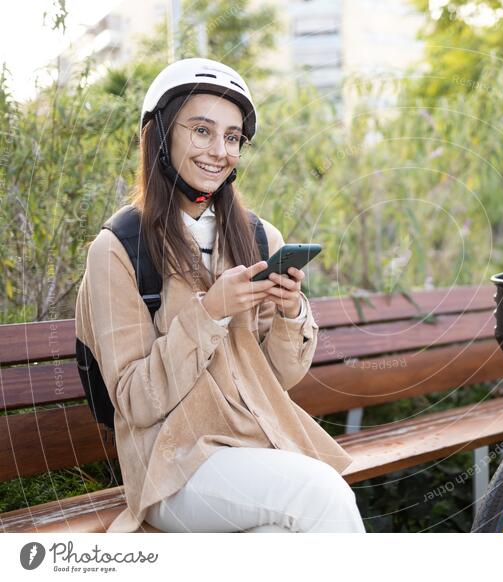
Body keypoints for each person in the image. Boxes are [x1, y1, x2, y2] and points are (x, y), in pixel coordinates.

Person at [74, 58, 365, 533]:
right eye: (203, 131)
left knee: (283, 539)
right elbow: (134, 401)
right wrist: (210, 313)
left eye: (232, 138)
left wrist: (291, 311)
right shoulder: (119, 249)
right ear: (161, 135)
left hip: (255, 446)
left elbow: (277, 379)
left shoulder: (256, 236)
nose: (220, 150)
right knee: (322, 493)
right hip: (172, 464)